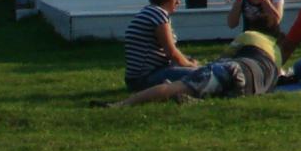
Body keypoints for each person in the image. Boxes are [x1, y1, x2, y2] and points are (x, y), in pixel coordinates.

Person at [108, 32, 281, 106]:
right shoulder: (274, 66)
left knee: (176, 86)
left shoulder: (250, 38)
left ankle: (122, 104)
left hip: (233, 70)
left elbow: (223, 58)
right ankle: (188, 98)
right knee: (216, 95)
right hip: (246, 90)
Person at [122, 0, 199, 92]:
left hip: (136, 78)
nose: (178, 2)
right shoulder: (158, 14)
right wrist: (191, 66)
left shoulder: (149, 11)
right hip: (145, 78)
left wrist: (188, 61)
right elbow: (171, 53)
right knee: (202, 75)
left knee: (196, 68)